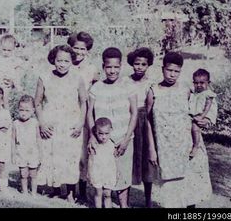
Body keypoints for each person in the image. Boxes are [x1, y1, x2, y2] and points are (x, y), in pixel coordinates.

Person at [146, 52, 212, 208]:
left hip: (187, 146)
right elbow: (148, 120)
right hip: (165, 148)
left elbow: (203, 106)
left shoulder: (186, 89)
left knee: (190, 191)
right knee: (170, 194)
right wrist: (151, 148)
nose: (172, 74)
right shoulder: (153, 91)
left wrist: (206, 120)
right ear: (163, 69)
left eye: (176, 71)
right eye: (169, 70)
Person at [35, 45, 87, 202]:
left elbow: (84, 102)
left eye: (66, 61)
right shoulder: (44, 77)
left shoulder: (77, 77)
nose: (62, 64)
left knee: (70, 157)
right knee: (52, 155)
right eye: (59, 60)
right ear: (53, 60)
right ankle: (56, 189)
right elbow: (37, 102)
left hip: (71, 124)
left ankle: (71, 193)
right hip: (51, 123)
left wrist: (80, 123)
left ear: (72, 61)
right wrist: (42, 123)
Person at [87, 47, 138, 208]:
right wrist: (92, 136)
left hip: (123, 138)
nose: (112, 70)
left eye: (116, 67)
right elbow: (90, 114)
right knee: (103, 174)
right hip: (102, 140)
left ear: (121, 66)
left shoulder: (128, 85)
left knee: (123, 175)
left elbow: (134, 113)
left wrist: (127, 139)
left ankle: (124, 205)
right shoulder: (96, 88)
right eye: (109, 67)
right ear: (103, 67)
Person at [67, 31, 99, 201]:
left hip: (84, 114)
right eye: (76, 48)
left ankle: (83, 190)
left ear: (88, 50)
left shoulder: (92, 69)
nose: (79, 52)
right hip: (67, 112)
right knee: (69, 152)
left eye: (83, 49)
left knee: (83, 154)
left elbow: (95, 93)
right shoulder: (65, 64)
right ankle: (69, 191)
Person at [127, 47, 156, 207]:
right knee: (129, 158)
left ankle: (148, 199)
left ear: (148, 65)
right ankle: (126, 197)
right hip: (130, 119)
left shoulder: (151, 83)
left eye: (143, 64)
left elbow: (151, 106)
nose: (139, 67)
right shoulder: (125, 81)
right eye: (137, 63)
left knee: (146, 159)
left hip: (145, 122)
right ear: (132, 64)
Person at [11, 95, 41, 195]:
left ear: (33, 111)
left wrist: (40, 153)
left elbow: (38, 138)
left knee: (33, 174)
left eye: (27, 110)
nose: (23, 113)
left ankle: (33, 192)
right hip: (21, 152)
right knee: (23, 174)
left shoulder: (35, 123)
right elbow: (13, 139)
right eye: (21, 110)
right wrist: (13, 153)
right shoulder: (15, 123)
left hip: (33, 153)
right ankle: (24, 191)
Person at [88, 118, 117, 208]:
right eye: (100, 133)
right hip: (97, 173)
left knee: (107, 194)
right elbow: (90, 160)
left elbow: (115, 160)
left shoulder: (112, 145)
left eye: (106, 133)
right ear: (96, 132)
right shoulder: (94, 145)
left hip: (109, 173)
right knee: (98, 193)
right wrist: (89, 173)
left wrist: (117, 171)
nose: (103, 137)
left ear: (111, 131)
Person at [0, 34, 24, 110]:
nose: (6, 52)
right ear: (0, 47)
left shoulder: (14, 60)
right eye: (4, 50)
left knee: (5, 99)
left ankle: (6, 114)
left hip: (8, 81)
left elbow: (18, 72)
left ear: (14, 49)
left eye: (9, 50)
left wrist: (15, 82)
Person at [189, 69, 217, 159]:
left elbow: (208, 107)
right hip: (193, 116)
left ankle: (195, 146)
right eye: (196, 83)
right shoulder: (195, 93)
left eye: (202, 83)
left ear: (208, 83)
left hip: (200, 116)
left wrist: (202, 117)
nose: (199, 85)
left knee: (195, 128)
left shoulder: (208, 94)